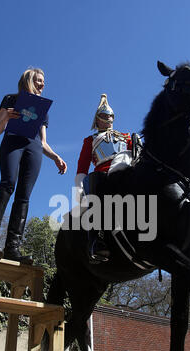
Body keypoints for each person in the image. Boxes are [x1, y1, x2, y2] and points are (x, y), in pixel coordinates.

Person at [0, 68, 67, 264]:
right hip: (12, 142)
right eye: (38, 80)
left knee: (24, 196)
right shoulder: (10, 98)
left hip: (34, 149)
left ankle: (13, 248)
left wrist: (55, 157)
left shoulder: (43, 109)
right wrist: (6, 117)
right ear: (28, 80)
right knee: (7, 183)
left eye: (43, 81)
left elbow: (43, 142)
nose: (42, 84)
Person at [75, 94, 132, 263]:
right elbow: (82, 167)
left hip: (126, 171)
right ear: (97, 120)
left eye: (110, 116)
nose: (108, 119)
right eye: (104, 116)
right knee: (96, 182)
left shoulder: (127, 136)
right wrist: (80, 187)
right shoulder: (90, 140)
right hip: (103, 174)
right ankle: (95, 239)